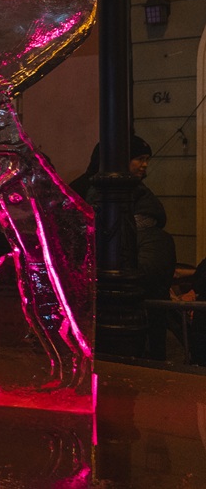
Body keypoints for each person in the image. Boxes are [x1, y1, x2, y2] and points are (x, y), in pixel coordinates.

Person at [71, 136, 176, 359]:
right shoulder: (85, 192)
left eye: (146, 159)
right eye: (139, 158)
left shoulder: (142, 208)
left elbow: (146, 266)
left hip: (129, 315)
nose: (144, 164)